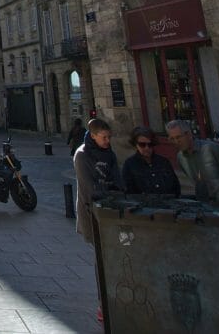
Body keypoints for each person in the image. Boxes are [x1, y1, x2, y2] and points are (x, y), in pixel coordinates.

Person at [73, 117, 124, 324]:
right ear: (93, 135)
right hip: (92, 212)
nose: (107, 141)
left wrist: (119, 193)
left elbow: (118, 179)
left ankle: (115, 299)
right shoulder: (82, 155)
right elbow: (89, 187)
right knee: (102, 258)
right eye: (104, 137)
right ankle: (104, 303)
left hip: (113, 210)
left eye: (109, 137)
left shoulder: (109, 154)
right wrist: (111, 192)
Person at [166, 118, 219, 207]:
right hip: (208, 207)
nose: (176, 142)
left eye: (179, 137)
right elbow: (196, 182)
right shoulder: (181, 158)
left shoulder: (212, 149)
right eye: (172, 139)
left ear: (189, 134)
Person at [122, 126, 181, 196]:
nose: (147, 148)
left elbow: (176, 187)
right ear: (136, 145)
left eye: (150, 145)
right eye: (142, 145)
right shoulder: (130, 165)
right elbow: (129, 192)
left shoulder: (164, 162)